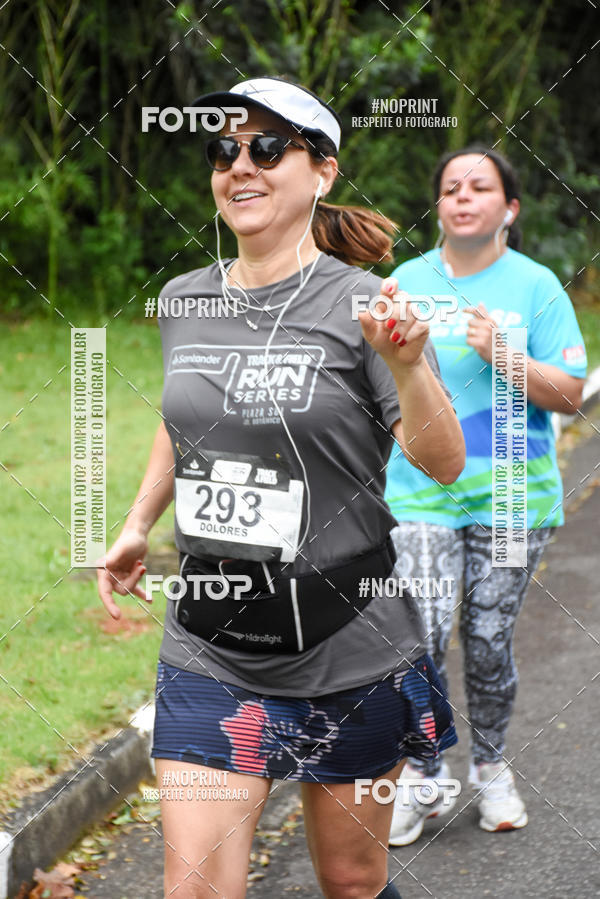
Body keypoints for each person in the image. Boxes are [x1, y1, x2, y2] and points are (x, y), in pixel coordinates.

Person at [97, 77, 465, 898]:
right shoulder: (184, 300)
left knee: (351, 880)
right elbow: (184, 420)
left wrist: (407, 366)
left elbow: (443, 461)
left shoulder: (365, 306)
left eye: (268, 147)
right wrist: (135, 521)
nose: (241, 165)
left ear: (323, 172)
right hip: (211, 642)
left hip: (350, 641)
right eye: (224, 149)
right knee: (193, 884)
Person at [385, 145, 587, 846]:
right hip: (421, 491)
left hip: (509, 496)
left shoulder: (537, 287)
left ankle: (493, 766)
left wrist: (505, 352)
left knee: (489, 638)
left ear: (510, 208)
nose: (463, 196)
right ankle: (424, 771)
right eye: (450, 187)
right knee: (419, 636)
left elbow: (572, 393)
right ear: (438, 206)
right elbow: (375, 380)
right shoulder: (405, 280)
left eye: (480, 187)